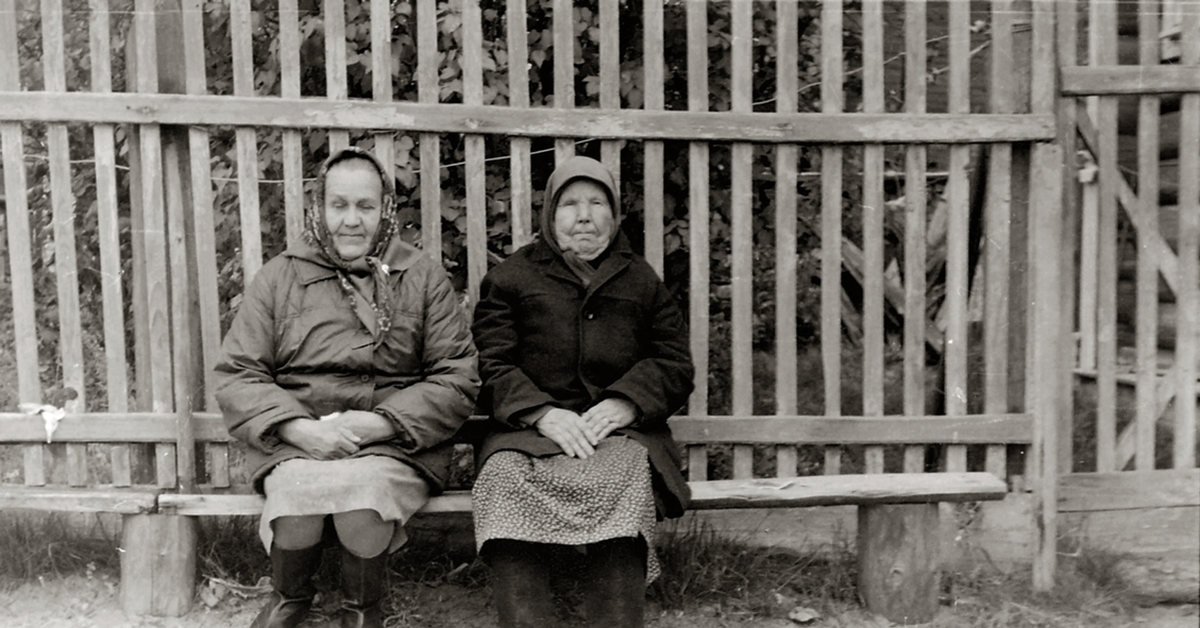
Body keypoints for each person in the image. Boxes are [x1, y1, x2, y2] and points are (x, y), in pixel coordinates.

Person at [214, 147, 479, 628]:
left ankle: (363, 612)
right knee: (296, 498)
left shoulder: (420, 277)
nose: (351, 221)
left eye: (365, 207)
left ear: (386, 212)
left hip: (395, 441)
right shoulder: (280, 278)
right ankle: (291, 600)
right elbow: (238, 372)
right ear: (320, 210)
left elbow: (457, 374)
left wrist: (381, 422)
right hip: (298, 440)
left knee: (365, 496)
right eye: (339, 206)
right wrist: (296, 428)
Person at [471, 156, 694, 628]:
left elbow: (674, 362)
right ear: (551, 216)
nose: (585, 215)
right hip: (527, 436)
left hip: (617, 436)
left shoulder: (642, 281)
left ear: (614, 215)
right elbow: (490, 362)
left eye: (597, 202)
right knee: (502, 477)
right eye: (570, 204)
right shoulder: (511, 279)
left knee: (630, 472)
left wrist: (626, 402)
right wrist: (539, 413)